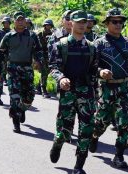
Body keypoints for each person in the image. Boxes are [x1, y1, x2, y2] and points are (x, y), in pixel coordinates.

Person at [49, 10, 98, 174]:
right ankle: (58, 142)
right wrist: (61, 78)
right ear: (70, 23)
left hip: (86, 93)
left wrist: (102, 72)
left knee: (86, 130)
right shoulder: (61, 45)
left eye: (85, 22)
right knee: (64, 130)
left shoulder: (91, 47)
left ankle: (79, 168)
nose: (82, 25)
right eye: (78, 22)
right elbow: (54, 67)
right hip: (68, 94)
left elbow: (94, 69)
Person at [89, 8, 128, 168]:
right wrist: (100, 72)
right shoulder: (98, 44)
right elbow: (91, 66)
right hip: (106, 88)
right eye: (114, 21)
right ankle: (94, 136)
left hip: (124, 87)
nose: (118, 25)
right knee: (102, 121)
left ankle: (119, 155)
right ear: (107, 24)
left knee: (125, 122)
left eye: (121, 22)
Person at [0, 11, 43, 133]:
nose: (21, 21)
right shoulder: (8, 36)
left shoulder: (32, 36)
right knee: (15, 96)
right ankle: (16, 121)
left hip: (27, 69)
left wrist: (38, 61)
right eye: (18, 20)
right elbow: (1, 54)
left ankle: (21, 109)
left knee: (29, 97)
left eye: (22, 20)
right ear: (14, 22)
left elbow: (38, 50)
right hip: (12, 70)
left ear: (25, 21)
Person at [47, 10, 74, 141]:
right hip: (61, 74)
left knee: (75, 105)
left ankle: (68, 129)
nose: (70, 21)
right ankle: (61, 131)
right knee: (65, 104)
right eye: (67, 18)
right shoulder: (56, 36)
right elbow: (51, 57)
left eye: (72, 18)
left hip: (78, 75)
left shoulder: (81, 35)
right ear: (63, 20)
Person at [37, 19, 54, 98]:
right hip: (41, 55)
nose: (48, 27)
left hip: (50, 55)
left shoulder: (53, 34)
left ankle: (39, 86)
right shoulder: (39, 34)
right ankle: (43, 90)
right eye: (47, 25)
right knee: (44, 72)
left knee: (46, 72)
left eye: (49, 25)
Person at [1, 16, 12, 86]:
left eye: (7, 23)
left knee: (9, 65)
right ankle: (4, 78)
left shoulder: (12, 32)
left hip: (10, 51)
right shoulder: (0, 32)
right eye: (5, 23)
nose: (6, 24)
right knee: (3, 65)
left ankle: (9, 79)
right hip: (1, 51)